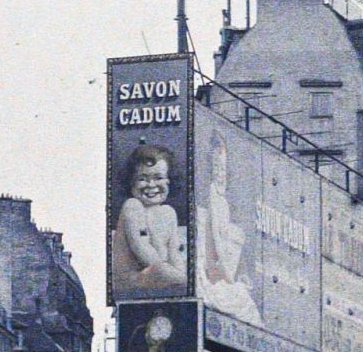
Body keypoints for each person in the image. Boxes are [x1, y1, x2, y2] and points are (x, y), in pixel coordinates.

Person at [196, 132, 261, 322]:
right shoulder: (209, 202)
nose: (220, 174)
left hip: (220, 277)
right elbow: (211, 260)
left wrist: (239, 276)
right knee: (243, 303)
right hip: (208, 280)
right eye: (216, 167)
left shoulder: (223, 204)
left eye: (223, 169)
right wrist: (229, 279)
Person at [110, 142, 187, 293]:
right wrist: (174, 275)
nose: (151, 185)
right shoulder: (133, 207)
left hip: (158, 277)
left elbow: (174, 251)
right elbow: (142, 248)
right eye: (142, 179)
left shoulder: (169, 213)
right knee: (166, 273)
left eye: (158, 178)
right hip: (133, 280)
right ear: (131, 182)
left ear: (169, 180)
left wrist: (179, 272)